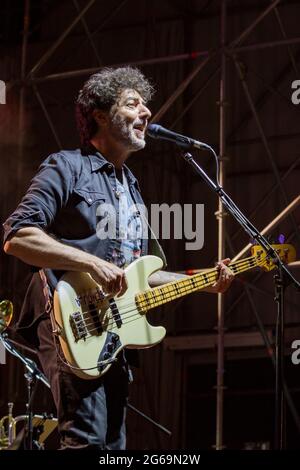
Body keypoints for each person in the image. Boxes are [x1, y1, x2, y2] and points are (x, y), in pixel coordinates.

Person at [3, 66, 233, 450]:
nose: (146, 113)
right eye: (133, 104)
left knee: (113, 446)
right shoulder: (67, 166)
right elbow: (17, 236)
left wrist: (203, 282)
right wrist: (90, 262)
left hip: (112, 337)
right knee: (86, 441)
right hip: (71, 320)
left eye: (146, 105)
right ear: (100, 115)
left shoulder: (132, 188)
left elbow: (137, 275)